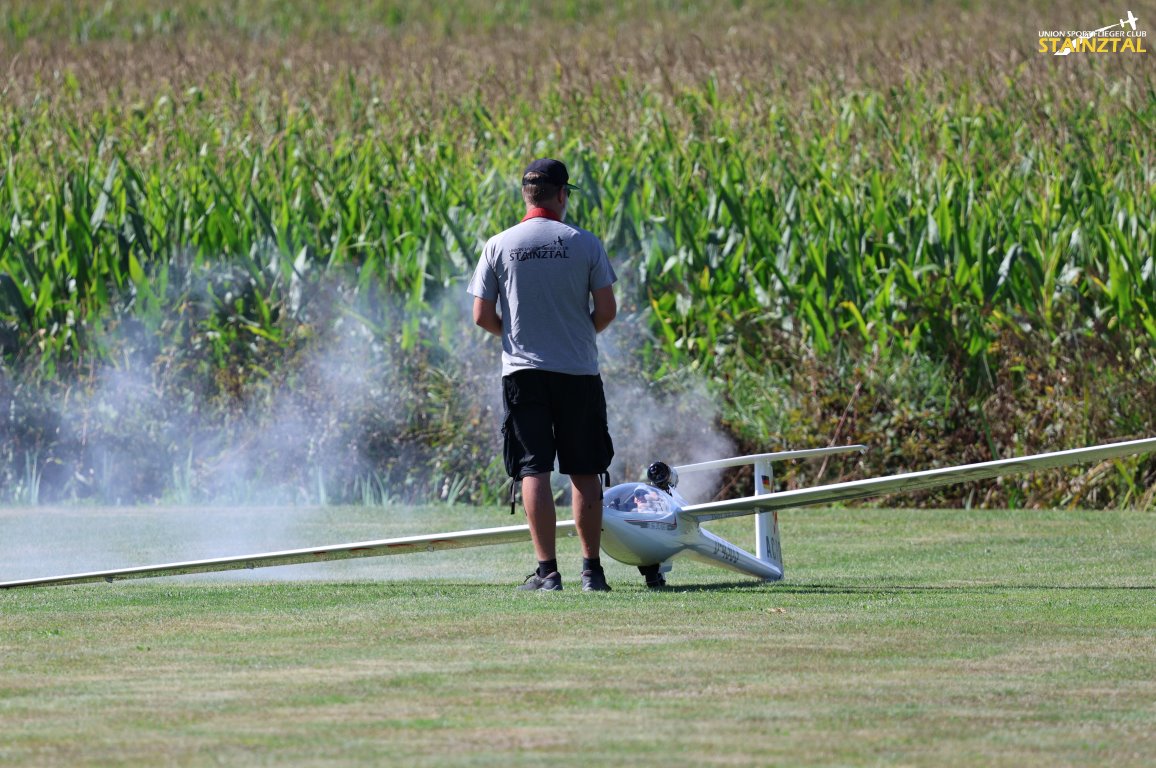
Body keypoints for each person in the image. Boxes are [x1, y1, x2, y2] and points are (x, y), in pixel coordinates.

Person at [467, 158, 617, 592]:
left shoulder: (499, 244)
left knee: (534, 469)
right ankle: (592, 572)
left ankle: (548, 572)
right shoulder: (585, 243)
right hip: (577, 370)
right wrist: (577, 335)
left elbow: (481, 315)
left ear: (526, 195)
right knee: (584, 469)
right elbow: (607, 310)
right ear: (562, 195)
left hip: (523, 373)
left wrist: (516, 337)